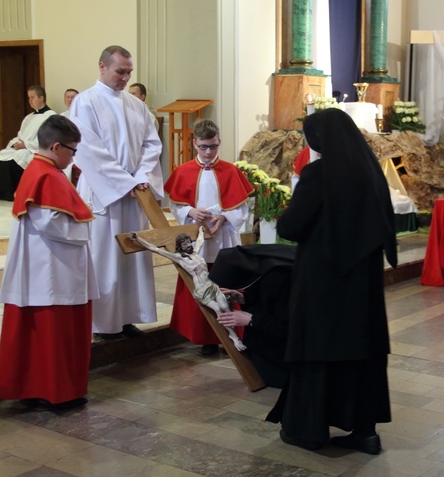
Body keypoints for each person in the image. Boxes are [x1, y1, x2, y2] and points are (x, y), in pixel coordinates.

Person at [266, 108, 398, 455]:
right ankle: (365, 432)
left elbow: (291, 227)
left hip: (324, 283)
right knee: (362, 352)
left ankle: (308, 430)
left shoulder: (319, 174)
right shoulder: (371, 172)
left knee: (318, 351)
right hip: (363, 285)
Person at [0, 115, 98, 410]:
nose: (73, 156)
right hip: (52, 270)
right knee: (54, 333)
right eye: (72, 150)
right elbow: (54, 224)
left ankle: (37, 389)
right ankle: (57, 392)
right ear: (55, 146)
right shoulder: (47, 176)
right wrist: (88, 222)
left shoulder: (39, 171)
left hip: (45, 265)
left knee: (42, 335)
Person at [69, 45, 163, 339]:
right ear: (102, 67)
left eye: (129, 72)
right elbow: (88, 150)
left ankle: (127, 317)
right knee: (105, 256)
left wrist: (141, 176)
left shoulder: (136, 106)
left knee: (132, 257)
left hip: (136, 192)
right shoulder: (85, 102)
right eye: (120, 71)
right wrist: (124, 183)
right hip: (104, 193)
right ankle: (103, 322)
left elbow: (152, 144)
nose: (125, 78)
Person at [163, 119, 253, 355]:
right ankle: (206, 338)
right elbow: (175, 205)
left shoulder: (231, 170)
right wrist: (190, 211)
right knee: (200, 284)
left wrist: (224, 218)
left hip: (223, 237)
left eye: (212, 146)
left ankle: (229, 337)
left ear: (219, 143)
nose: (208, 152)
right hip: (197, 240)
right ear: (194, 144)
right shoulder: (183, 171)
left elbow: (242, 207)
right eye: (203, 146)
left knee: (224, 282)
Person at [130, 229, 245, 351]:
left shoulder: (196, 253)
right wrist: (138, 239)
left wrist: (201, 231)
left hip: (212, 286)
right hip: (202, 290)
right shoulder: (180, 258)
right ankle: (233, 338)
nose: (189, 245)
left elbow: (200, 241)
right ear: (180, 246)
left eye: (189, 242)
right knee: (218, 310)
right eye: (184, 244)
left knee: (226, 307)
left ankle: (234, 337)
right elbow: (155, 249)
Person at [210, 244, 297, 388]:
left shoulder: (279, 278)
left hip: (299, 347)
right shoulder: (269, 268)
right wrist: (245, 299)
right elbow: (270, 301)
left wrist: (250, 319)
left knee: (255, 342)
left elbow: (288, 326)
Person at [0, 85, 56, 201]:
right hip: (22, 147)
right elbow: (20, 135)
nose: (30, 101)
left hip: (33, 149)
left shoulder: (51, 116)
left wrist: (26, 145)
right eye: (29, 98)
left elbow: (48, 140)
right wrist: (15, 143)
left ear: (41, 98)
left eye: (32, 97)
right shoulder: (29, 117)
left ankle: (12, 195)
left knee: (14, 161)